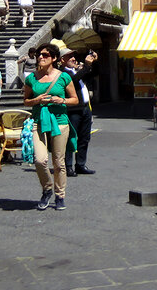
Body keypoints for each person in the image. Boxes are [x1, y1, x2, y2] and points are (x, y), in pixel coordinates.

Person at [24, 44, 78, 210]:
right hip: (38, 121)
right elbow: (26, 100)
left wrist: (60, 100)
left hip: (60, 121)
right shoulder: (31, 78)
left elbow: (75, 99)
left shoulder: (64, 77)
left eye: (45, 55)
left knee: (58, 162)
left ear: (54, 58)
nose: (41, 57)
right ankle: (47, 189)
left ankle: (60, 195)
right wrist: (36, 100)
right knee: (40, 160)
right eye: (39, 54)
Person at [61, 48, 97, 176]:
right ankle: (68, 166)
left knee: (84, 137)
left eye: (73, 56)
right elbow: (74, 80)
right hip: (73, 110)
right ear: (62, 60)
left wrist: (91, 63)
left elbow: (91, 75)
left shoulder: (75, 70)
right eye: (69, 57)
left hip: (85, 108)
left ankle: (80, 164)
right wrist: (86, 66)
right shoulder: (63, 73)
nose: (73, 58)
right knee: (70, 138)